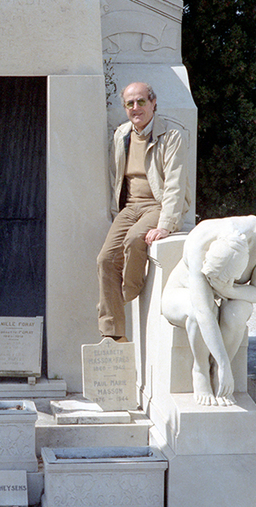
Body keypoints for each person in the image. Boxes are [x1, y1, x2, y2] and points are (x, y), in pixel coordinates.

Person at [97, 82, 191, 340]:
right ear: (125, 107)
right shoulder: (122, 135)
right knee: (105, 260)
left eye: (141, 101)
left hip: (157, 204)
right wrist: (116, 212)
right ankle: (113, 334)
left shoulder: (172, 136)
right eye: (130, 103)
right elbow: (116, 176)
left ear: (153, 103)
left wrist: (166, 224)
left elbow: (175, 183)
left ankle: (129, 291)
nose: (135, 108)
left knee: (135, 239)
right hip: (130, 208)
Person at [161, 216, 256, 406]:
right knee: (196, 311)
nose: (215, 286)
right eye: (212, 280)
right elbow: (203, 311)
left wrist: (230, 290)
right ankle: (200, 369)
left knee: (239, 311)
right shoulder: (200, 239)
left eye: (227, 280)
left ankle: (217, 370)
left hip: (228, 297)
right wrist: (225, 364)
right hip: (180, 294)